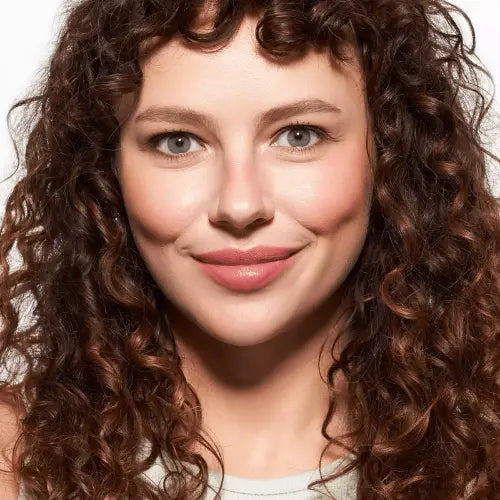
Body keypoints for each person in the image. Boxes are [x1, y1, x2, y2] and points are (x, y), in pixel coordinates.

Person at [0, 0, 498, 498]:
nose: (239, 206)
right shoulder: (14, 459)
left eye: (299, 136)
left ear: (389, 152)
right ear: (105, 174)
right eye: (178, 141)